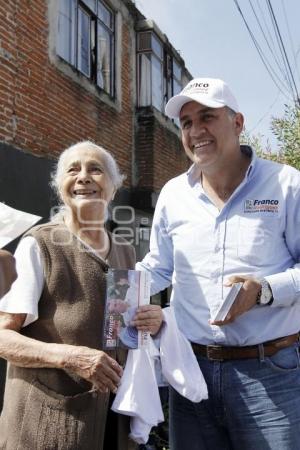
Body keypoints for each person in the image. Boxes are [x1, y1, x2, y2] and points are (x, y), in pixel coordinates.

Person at [137, 78, 300, 450]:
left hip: (270, 374)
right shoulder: (174, 195)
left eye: (207, 117)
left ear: (238, 123)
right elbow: (159, 267)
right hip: (190, 375)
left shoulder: (286, 185)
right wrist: (111, 284)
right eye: (187, 122)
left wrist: (265, 291)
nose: (196, 131)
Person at [0, 141, 162, 450]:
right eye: (72, 170)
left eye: (96, 169)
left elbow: (123, 333)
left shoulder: (125, 252)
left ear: (113, 187)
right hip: (49, 426)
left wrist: (151, 322)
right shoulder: (40, 245)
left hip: (114, 424)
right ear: (60, 187)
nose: (83, 177)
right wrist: (70, 357)